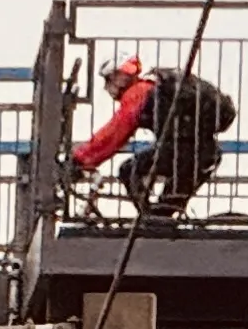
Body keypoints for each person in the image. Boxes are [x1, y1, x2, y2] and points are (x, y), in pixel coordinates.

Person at [77, 57, 239, 219]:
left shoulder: (138, 92)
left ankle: (149, 219)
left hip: (185, 154)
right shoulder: (155, 88)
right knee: (163, 211)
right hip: (202, 154)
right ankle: (155, 221)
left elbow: (114, 134)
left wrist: (80, 159)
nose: (107, 87)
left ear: (122, 75)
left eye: (109, 80)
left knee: (128, 170)